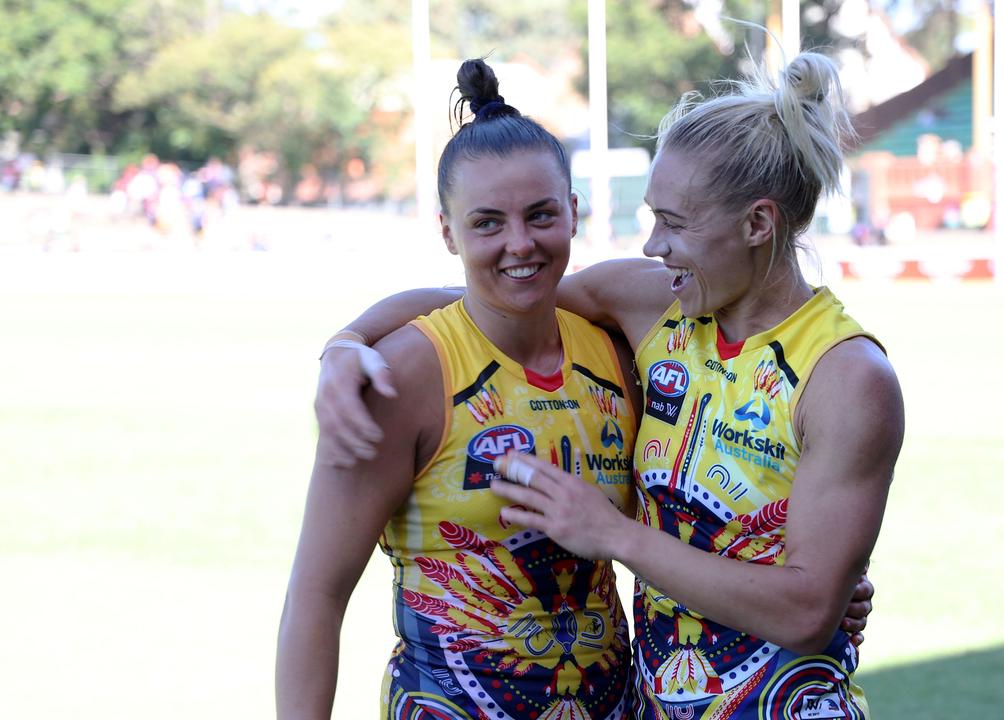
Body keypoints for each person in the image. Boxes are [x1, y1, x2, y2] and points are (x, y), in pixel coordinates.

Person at [316, 50, 900, 719]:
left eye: (674, 223)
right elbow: (495, 295)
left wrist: (614, 534)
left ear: (758, 224)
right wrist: (346, 342)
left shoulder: (848, 376)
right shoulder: (655, 304)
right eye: (652, 217)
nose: (653, 244)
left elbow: (804, 612)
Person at [276, 59, 641, 720]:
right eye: (487, 224)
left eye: (540, 215)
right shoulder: (400, 374)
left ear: (574, 213)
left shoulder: (615, 354)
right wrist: (344, 343)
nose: (520, 243)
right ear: (448, 232)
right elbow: (316, 595)